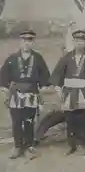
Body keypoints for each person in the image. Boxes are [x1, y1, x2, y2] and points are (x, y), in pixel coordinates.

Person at [50, 30, 85, 155]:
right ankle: (71, 144)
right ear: (74, 42)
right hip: (69, 94)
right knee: (71, 119)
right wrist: (60, 94)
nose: (80, 43)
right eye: (77, 41)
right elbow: (57, 77)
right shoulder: (66, 58)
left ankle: (81, 144)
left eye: (82, 41)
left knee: (84, 119)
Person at [0, 30, 51, 159]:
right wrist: (5, 90)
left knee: (29, 121)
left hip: (32, 94)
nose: (27, 43)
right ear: (20, 42)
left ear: (33, 42)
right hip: (16, 95)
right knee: (17, 121)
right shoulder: (12, 59)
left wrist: (43, 89)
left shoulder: (38, 58)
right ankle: (17, 146)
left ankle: (29, 146)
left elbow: (45, 76)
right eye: (24, 41)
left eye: (30, 41)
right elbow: (3, 76)